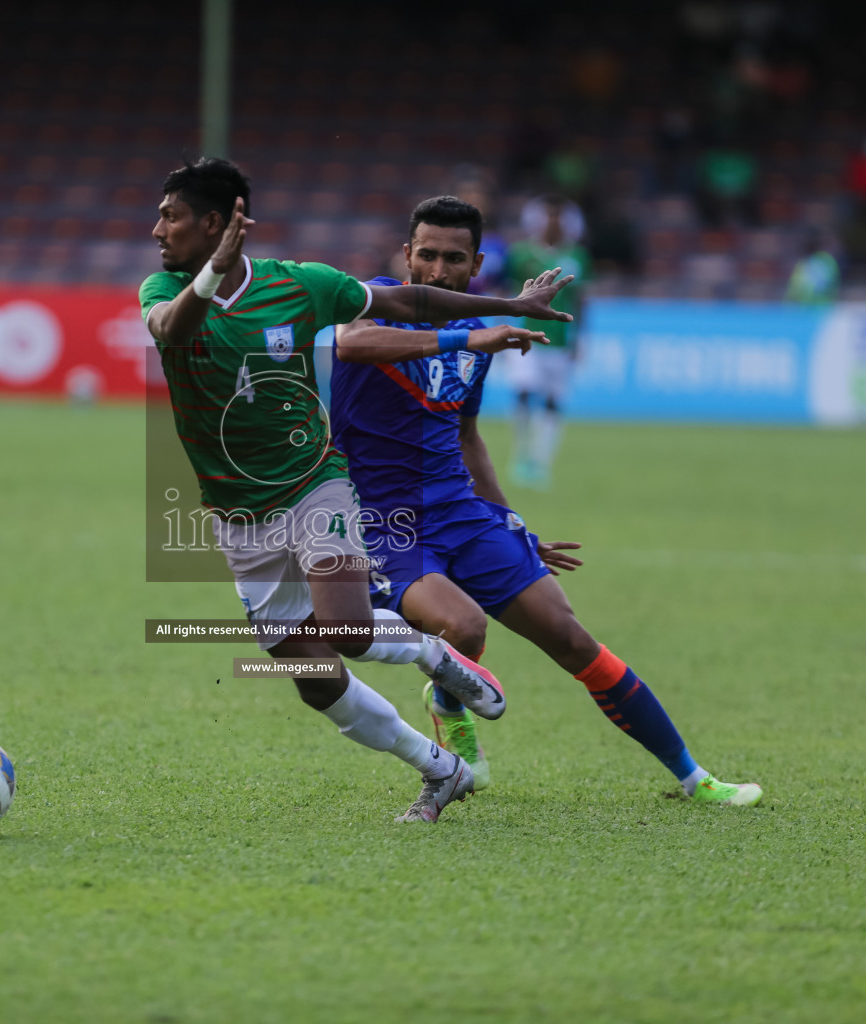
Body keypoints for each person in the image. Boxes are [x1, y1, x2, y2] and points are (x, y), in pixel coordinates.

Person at [140, 158, 569, 822]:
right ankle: (440, 770)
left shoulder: (299, 285)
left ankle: (437, 656)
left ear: (216, 222)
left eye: (171, 215)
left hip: (316, 484)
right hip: (237, 515)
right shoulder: (163, 290)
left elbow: (406, 301)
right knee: (314, 679)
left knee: (345, 624)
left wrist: (505, 304)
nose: (157, 228)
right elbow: (173, 328)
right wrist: (209, 272)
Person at [331, 195, 763, 807]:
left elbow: (466, 436)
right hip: (390, 526)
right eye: (425, 254)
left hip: (461, 512)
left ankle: (694, 777)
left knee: (571, 639)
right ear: (406, 254)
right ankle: (451, 711)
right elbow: (352, 344)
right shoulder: (379, 301)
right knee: (463, 627)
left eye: (453, 258)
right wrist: (469, 336)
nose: (436, 269)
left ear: (477, 263)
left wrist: (511, 521)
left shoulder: (471, 341)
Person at [504, 195, 588, 489]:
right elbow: (507, 292)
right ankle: (521, 455)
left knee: (553, 401)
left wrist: (583, 338)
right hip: (526, 336)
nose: (553, 223)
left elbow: (582, 300)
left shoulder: (577, 256)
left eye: (558, 217)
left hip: (561, 340)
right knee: (525, 391)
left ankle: (541, 462)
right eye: (549, 217)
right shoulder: (521, 254)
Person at [786, 230, 840, 304]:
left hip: (820, 307)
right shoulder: (803, 262)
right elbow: (794, 287)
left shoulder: (824, 260)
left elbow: (824, 285)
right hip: (802, 308)